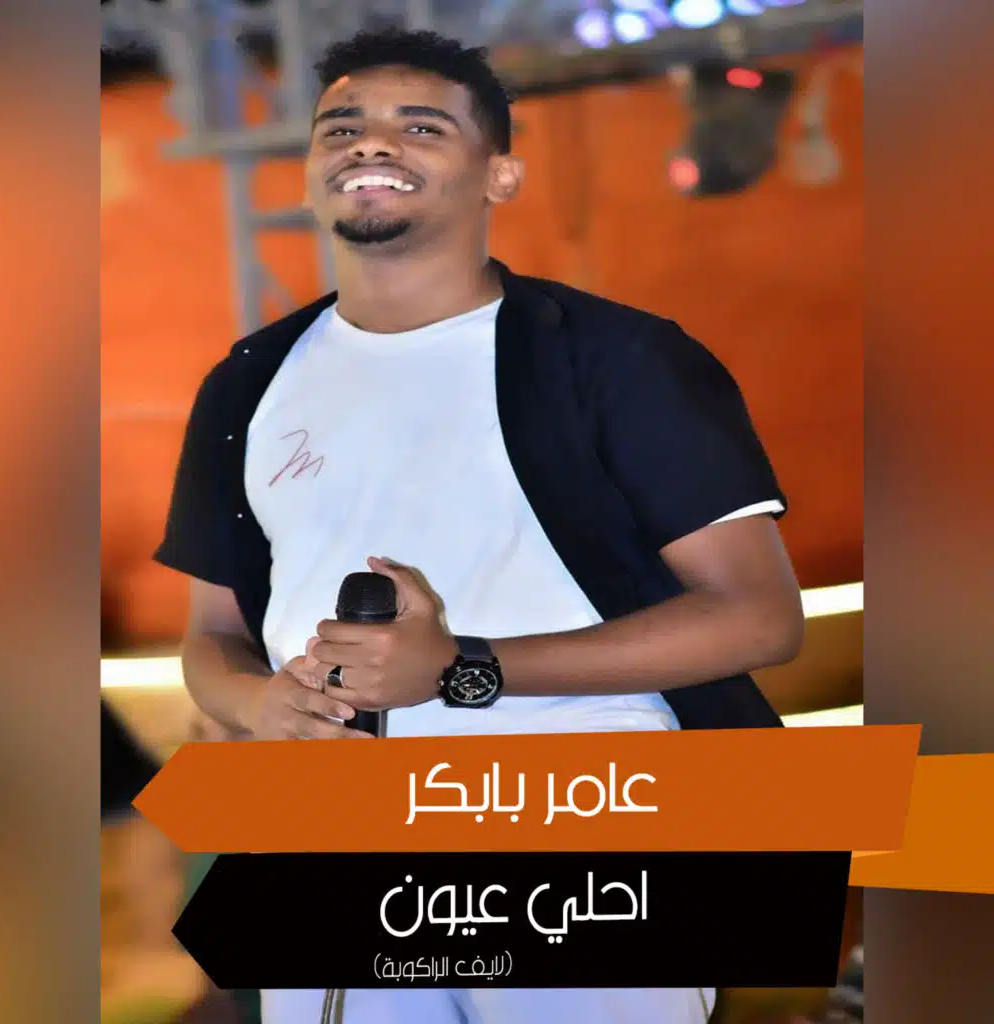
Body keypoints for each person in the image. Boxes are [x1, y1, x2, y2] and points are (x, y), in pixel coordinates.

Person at [155, 27, 806, 1024]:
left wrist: (464, 667)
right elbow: (212, 635)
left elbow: (759, 617)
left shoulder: (617, 358)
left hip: (580, 812)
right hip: (327, 825)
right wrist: (260, 705)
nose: (372, 143)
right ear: (312, 167)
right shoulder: (247, 382)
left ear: (501, 174)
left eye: (421, 126)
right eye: (341, 126)